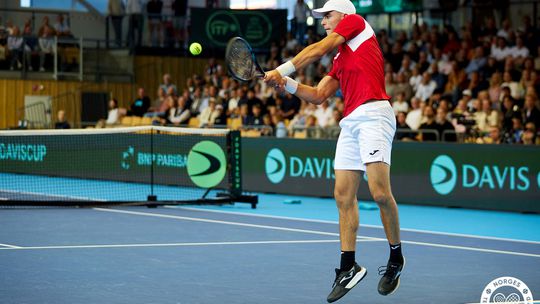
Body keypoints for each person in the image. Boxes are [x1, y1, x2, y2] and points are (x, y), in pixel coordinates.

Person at [264, 0, 404, 301]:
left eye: (328, 16)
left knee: (380, 193)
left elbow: (318, 49)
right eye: (322, 17)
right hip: (352, 122)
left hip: (375, 114)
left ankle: (395, 258)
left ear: (344, 15)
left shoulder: (356, 23)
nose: (324, 21)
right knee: (342, 194)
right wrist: (285, 83)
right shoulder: (341, 59)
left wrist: (281, 67)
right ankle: (348, 266)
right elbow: (317, 96)